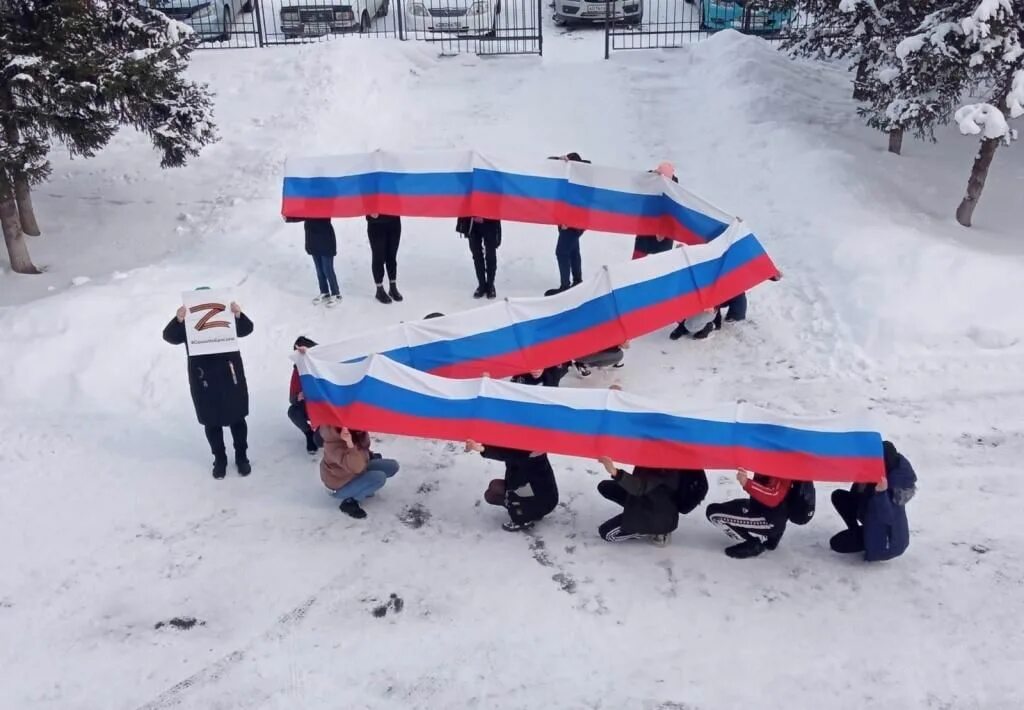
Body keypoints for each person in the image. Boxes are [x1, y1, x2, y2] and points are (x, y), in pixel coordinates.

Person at [162, 297, 254, 479]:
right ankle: (220, 459)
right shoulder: (190, 322)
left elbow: (247, 329)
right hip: (203, 377)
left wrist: (237, 315)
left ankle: (242, 457)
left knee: (237, 418)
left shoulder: (225, 316)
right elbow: (169, 336)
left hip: (230, 375)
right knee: (211, 422)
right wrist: (178, 319)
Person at [830, 440, 917, 561]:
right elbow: (856, 497)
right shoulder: (877, 472)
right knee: (839, 496)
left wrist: (881, 493)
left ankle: (866, 541)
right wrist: (861, 484)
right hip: (872, 521)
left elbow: (887, 517)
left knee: (837, 543)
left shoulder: (896, 485)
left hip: (886, 542)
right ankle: (856, 530)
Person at [596, 457, 709, 545]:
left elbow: (640, 486)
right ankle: (637, 514)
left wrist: (614, 472)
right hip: (651, 497)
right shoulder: (663, 452)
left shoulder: (664, 465)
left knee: (606, 533)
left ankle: (647, 531)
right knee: (605, 487)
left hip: (655, 515)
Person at [465, 439, 559, 531]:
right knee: (493, 487)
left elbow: (506, 454)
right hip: (534, 492)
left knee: (492, 495)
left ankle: (521, 520)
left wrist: (480, 448)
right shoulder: (528, 446)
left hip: (543, 501)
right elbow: (504, 449)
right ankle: (526, 510)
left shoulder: (529, 453)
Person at [706, 469, 792, 559]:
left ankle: (752, 543)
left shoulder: (782, 465)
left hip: (768, 520)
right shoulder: (772, 460)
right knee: (727, 507)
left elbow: (774, 497)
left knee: (714, 514)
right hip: (762, 509)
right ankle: (772, 538)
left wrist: (747, 483)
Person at [320, 425, 400, 519]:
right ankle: (350, 502)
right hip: (339, 486)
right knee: (379, 477)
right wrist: (349, 443)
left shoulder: (352, 431)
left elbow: (364, 447)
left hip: (355, 471)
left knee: (392, 466)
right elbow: (356, 467)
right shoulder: (333, 446)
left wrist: (361, 432)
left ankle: (363, 487)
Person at [545, 153, 588, 296]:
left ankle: (565, 286)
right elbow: (547, 162)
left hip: (573, 224)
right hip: (570, 223)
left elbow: (580, 205)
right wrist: (560, 159)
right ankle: (577, 281)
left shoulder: (582, 180)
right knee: (573, 250)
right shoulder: (573, 175)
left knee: (561, 252)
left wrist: (567, 222)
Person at [288, 336, 321, 454]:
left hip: (328, 410)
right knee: (293, 411)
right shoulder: (298, 370)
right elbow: (292, 399)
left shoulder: (324, 365)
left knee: (321, 440)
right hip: (310, 408)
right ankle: (308, 434)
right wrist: (298, 397)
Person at [456, 217, 501, 299]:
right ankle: (482, 284)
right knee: (476, 255)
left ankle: (490, 285)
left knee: (490, 254)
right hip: (472, 223)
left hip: (490, 221)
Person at [366, 214, 403, 304]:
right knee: (378, 256)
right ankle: (379, 289)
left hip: (394, 220)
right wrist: (369, 211)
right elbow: (363, 200)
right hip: (376, 223)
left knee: (392, 256)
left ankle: (393, 286)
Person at [303, 218, 340, 305]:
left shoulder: (325, 204)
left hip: (325, 239)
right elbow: (301, 214)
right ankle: (325, 292)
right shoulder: (307, 205)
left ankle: (336, 294)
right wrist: (289, 217)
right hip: (312, 239)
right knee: (319, 269)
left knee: (327, 269)